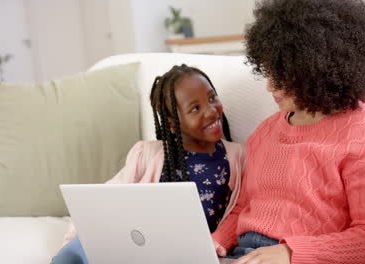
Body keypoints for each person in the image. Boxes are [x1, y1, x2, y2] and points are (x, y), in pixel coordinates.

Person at [212, 0, 365, 263]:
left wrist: (290, 253)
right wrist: (216, 242)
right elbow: (244, 208)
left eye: (283, 76)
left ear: (318, 70)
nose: (270, 87)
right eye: (268, 72)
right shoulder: (265, 132)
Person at [51, 64, 246, 264]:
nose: (211, 111)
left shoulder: (239, 157)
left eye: (212, 98)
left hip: (188, 254)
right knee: (78, 248)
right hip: (140, 246)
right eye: (195, 108)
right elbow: (101, 201)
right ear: (171, 123)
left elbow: (243, 209)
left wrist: (219, 242)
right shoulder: (146, 154)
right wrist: (74, 238)